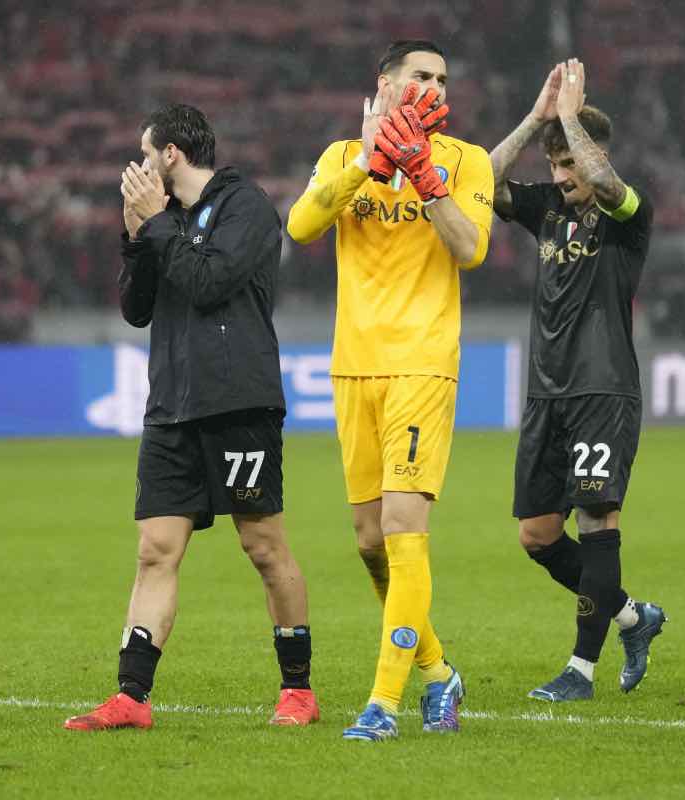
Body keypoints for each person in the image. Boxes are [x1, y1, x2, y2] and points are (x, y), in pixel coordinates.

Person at [65, 103, 318, 730]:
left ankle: (298, 691)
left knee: (263, 546)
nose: (138, 165)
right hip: (171, 408)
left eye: (145, 152)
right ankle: (131, 697)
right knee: (155, 550)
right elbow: (137, 309)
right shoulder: (165, 220)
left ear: (171, 153)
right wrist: (134, 236)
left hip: (239, 403)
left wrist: (153, 226)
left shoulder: (246, 206)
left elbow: (209, 283)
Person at [286, 40, 494, 740]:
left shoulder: (468, 159)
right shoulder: (342, 156)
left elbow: (471, 248)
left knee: (405, 530)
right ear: (385, 83)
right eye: (420, 75)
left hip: (423, 363)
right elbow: (301, 225)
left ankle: (384, 703)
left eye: (443, 77)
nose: (434, 86)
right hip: (354, 366)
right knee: (369, 541)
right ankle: (439, 673)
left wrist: (425, 178)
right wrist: (370, 163)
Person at [489, 59, 667, 702]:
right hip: (546, 394)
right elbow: (478, 180)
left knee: (596, 524)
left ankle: (581, 671)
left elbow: (603, 180)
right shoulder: (543, 209)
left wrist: (569, 115)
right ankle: (631, 618)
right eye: (555, 165)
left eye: (570, 165)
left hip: (602, 389)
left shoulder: (629, 216)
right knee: (537, 535)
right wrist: (538, 118)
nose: (563, 179)